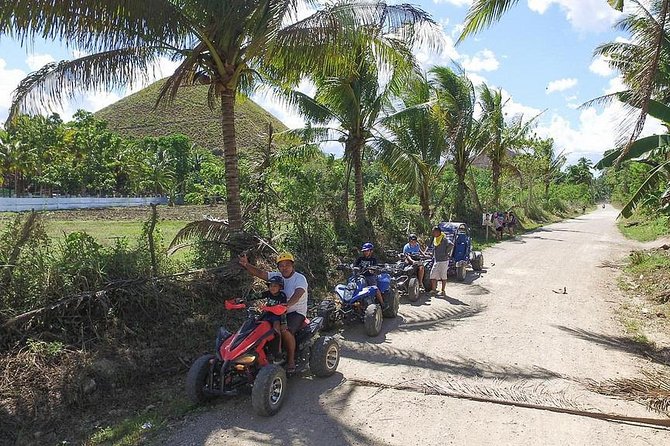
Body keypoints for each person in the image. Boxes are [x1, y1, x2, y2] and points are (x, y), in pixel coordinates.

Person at [239, 251, 307, 373]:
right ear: (278, 267)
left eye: (287, 264)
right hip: (274, 311)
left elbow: (298, 294)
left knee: (284, 330)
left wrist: (286, 305)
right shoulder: (277, 276)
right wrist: (246, 265)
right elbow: (260, 273)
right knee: (257, 326)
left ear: (293, 265)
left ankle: (291, 360)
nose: (284, 267)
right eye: (281, 265)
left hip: (294, 312)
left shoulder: (299, 278)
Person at [353, 242, 386, 309]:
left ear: (371, 251)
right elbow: (355, 265)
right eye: (364, 251)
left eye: (367, 251)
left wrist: (373, 270)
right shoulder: (360, 258)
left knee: (375, 288)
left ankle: (382, 304)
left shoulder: (373, 259)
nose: (365, 252)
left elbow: (376, 267)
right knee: (351, 285)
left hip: (370, 276)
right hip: (359, 276)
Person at [426, 225, 454, 295]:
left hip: (443, 260)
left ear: (438, 232)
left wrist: (445, 252)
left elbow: (451, 245)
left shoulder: (444, 239)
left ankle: (443, 290)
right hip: (436, 260)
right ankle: (433, 289)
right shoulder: (435, 239)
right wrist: (432, 254)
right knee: (432, 275)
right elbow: (434, 248)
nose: (433, 233)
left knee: (443, 275)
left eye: (434, 232)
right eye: (433, 232)